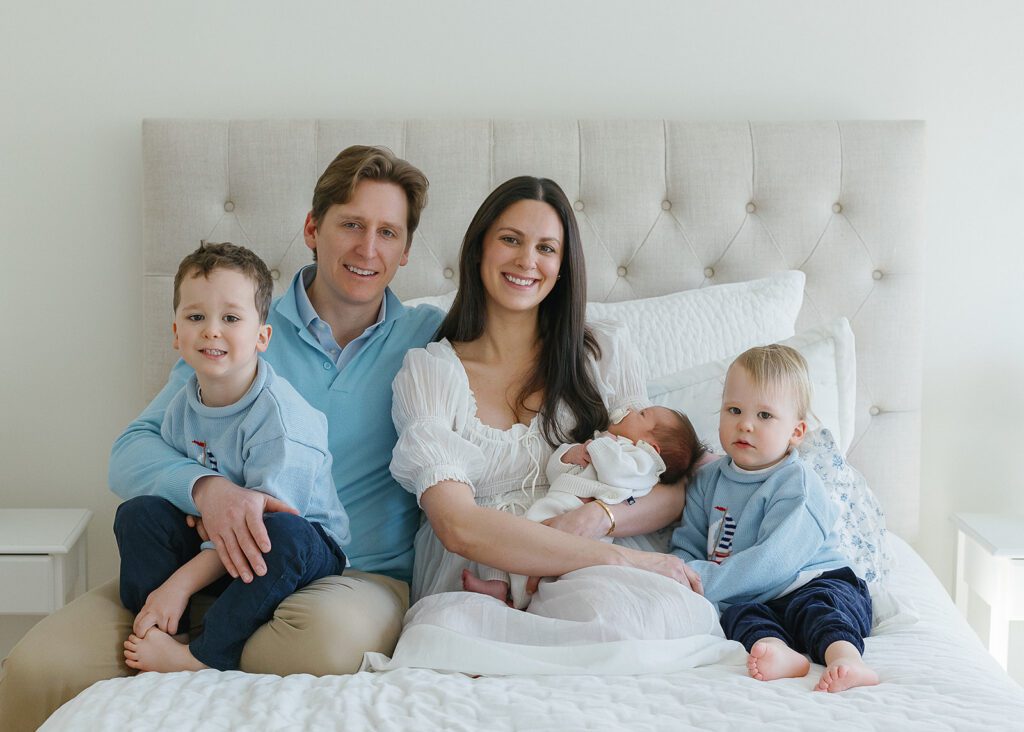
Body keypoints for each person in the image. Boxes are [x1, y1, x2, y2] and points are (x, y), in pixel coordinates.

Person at [0, 145, 444, 732]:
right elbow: (134, 448)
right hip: (206, 562)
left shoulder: (431, 338)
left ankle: (191, 655)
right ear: (313, 228)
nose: (368, 248)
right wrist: (209, 490)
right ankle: (184, 632)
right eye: (352, 225)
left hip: (350, 577)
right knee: (35, 669)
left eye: (387, 232)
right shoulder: (228, 320)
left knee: (323, 649)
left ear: (406, 250)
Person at [389, 175, 703, 613]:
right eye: (510, 239)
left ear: (563, 265)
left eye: (546, 248)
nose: (526, 260)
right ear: (480, 247)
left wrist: (596, 519)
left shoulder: (603, 353)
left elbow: (672, 489)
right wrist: (618, 556)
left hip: (599, 562)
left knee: (627, 617)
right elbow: (457, 525)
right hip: (481, 571)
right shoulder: (431, 372)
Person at [115, 242, 349, 672]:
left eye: (231, 318)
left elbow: (264, 523)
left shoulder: (282, 419)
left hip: (297, 544)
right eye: (196, 317)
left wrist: (180, 583)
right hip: (221, 541)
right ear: (175, 332)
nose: (211, 330)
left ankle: (202, 657)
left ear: (262, 336)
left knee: (282, 533)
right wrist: (199, 510)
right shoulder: (181, 405)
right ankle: (164, 629)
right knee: (139, 514)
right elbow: (173, 487)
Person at [670, 344, 878, 693]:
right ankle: (779, 652)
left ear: (796, 432)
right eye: (734, 410)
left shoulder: (797, 483)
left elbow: (774, 562)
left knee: (819, 610)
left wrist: (700, 583)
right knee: (739, 615)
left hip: (812, 580)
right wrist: (678, 577)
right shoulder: (708, 482)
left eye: (764, 416)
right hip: (754, 594)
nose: (746, 425)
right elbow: (686, 545)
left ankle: (845, 659)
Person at [464, 405, 705, 608]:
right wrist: (569, 456)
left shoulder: (643, 462)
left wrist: (599, 446)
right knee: (507, 537)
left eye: (642, 414)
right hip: (559, 499)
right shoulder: (609, 444)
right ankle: (500, 586)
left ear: (652, 447)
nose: (631, 409)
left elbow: (616, 472)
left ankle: (517, 597)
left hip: (575, 511)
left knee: (527, 544)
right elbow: (556, 472)